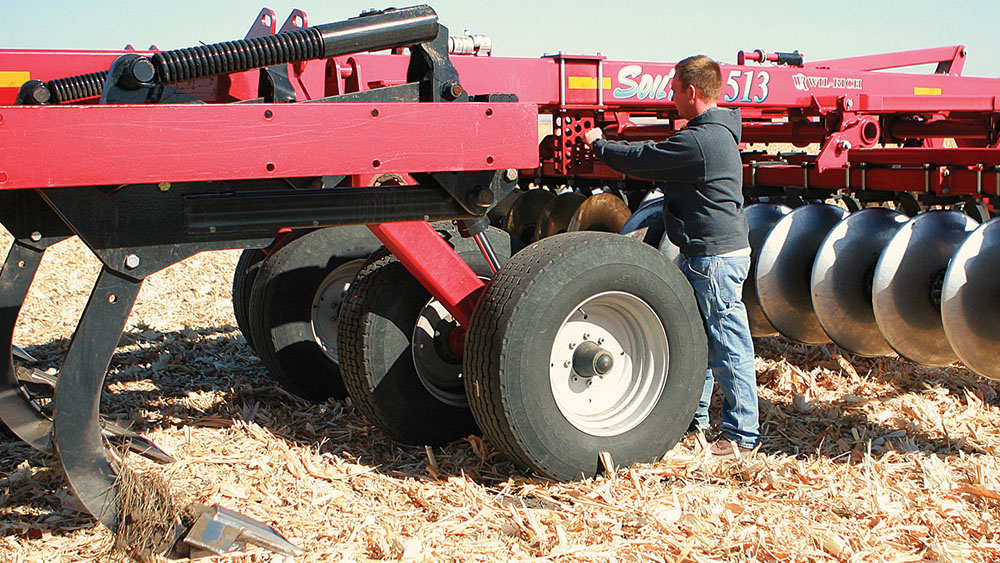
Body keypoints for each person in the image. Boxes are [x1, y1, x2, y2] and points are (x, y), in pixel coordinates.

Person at [582, 55, 759, 456]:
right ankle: (695, 421)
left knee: (729, 346)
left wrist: (600, 145)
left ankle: (742, 436)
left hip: (714, 258)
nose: (671, 96)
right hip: (712, 252)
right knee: (702, 341)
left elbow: (645, 159)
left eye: (675, 88)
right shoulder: (719, 133)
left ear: (692, 91)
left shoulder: (700, 140)